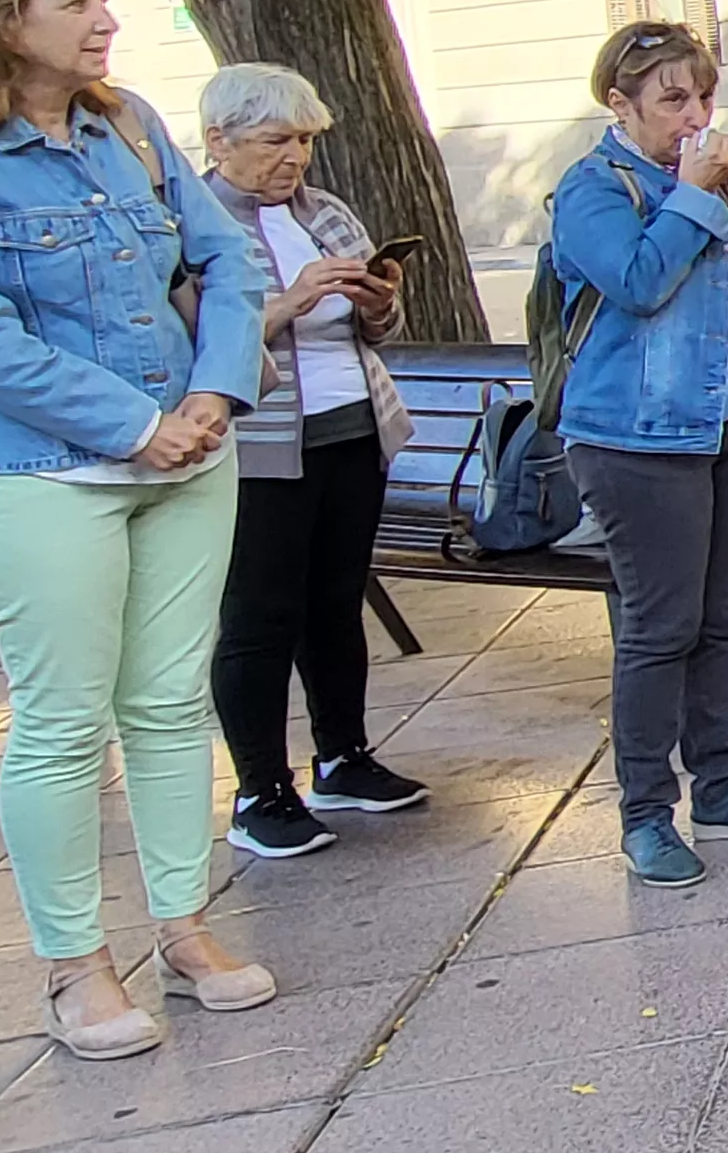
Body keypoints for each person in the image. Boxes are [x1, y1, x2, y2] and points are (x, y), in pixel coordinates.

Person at [0, 0, 278, 1061]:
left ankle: (184, 932)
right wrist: (133, 426)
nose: (107, 21)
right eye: (79, 2)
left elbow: (227, 263)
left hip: (188, 456)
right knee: (59, 724)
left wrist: (213, 396)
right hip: (40, 473)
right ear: (3, 21)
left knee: (169, 704)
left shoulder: (127, 124)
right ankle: (74, 966)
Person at [554, 21, 728, 889]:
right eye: (673, 100)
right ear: (619, 104)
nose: (696, 115)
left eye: (703, 96)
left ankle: (724, 782)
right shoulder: (594, 189)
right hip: (638, 442)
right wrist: (698, 198)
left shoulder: (703, 185)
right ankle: (643, 814)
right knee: (657, 627)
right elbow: (636, 281)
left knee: (719, 617)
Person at [196, 63, 431, 861]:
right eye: (274, 141)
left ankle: (343, 756)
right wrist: (290, 301)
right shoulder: (193, 223)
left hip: (352, 429)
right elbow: (192, 338)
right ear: (218, 140)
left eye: (303, 141)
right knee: (261, 615)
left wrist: (376, 302)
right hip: (260, 446)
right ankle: (261, 788)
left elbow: (377, 331)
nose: (294, 158)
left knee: (336, 602)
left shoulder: (326, 213)